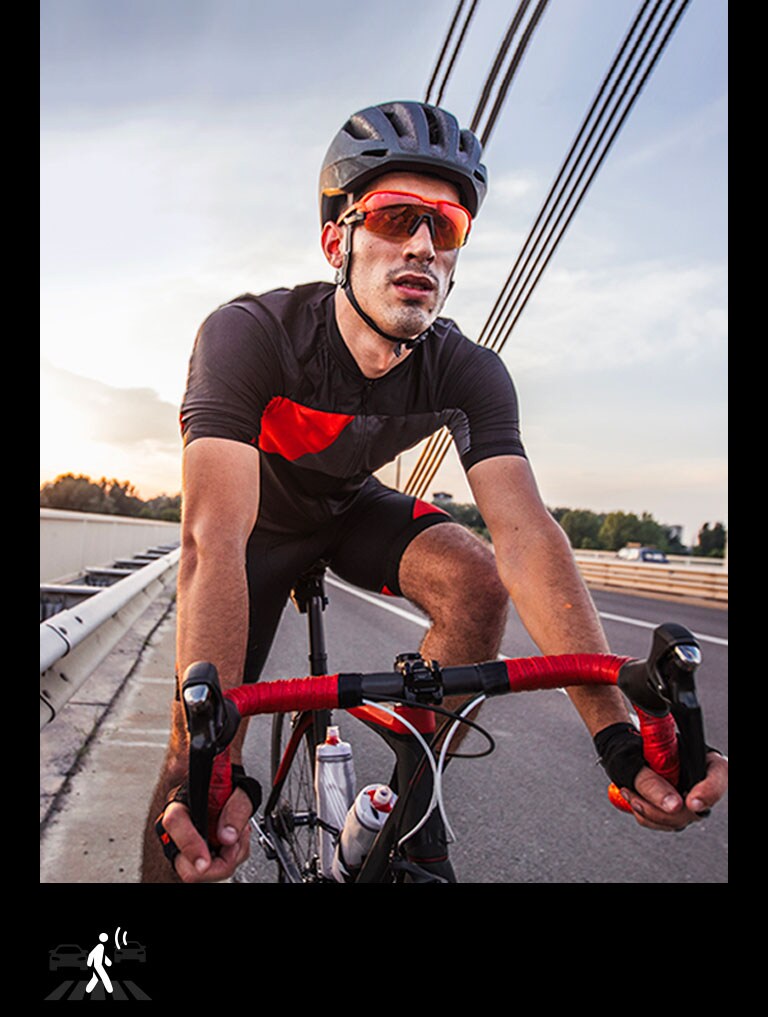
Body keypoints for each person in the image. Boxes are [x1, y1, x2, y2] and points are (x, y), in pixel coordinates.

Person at [142, 100, 728, 883]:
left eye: (445, 227)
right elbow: (212, 538)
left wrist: (617, 739)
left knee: (477, 576)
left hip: (348, 507)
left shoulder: (467, 369)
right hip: (256, 527)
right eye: (395, 217)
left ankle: (415, 792)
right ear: (337, 242)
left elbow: (525, 535)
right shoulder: (249, 335)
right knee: (192, 772)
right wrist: (208, 747)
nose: (421, 243)